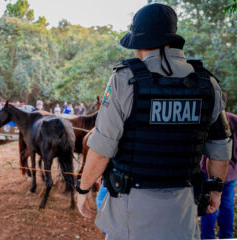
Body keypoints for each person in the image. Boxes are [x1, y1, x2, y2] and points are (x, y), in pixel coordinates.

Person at [75, 4, 232, 240]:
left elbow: (101, 150)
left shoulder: (124, 80)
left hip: (131, 214)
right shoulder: (207, 83)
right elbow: (220, 150)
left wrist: (83, 188)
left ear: (139, 42)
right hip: (183, 211)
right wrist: (216, 191)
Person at [200, 111, 237, 239]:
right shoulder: (233, 119)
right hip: (231, 170)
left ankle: (207, 237)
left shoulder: (208, 116)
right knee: (226, 202)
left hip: (209, 168)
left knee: (209, 204)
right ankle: (226, 236)